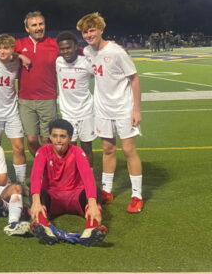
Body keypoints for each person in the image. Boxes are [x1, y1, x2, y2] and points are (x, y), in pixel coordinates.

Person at [77, 12, 144, 213]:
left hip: (123, 109)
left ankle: (136, 195)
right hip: (102, 110)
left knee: (129, 151)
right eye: (85, 32)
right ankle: (106, 191)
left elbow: (134, 79)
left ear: (101, 30)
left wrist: (136, 109)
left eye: (92, 30)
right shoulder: (88, 52)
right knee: (107, 149)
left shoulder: (117, 52)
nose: (88, 35)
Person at [29, 119, 107, 246]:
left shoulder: (77, 152)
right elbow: (36, 177)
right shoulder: (42, 152)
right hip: (52, 197)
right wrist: (36, 202)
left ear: (70, 138)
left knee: (95, 192)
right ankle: (44, 228)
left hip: (75, 196)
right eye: (54, 136)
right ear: (50, 137)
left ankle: (91, 230)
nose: (58, 140)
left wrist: (93, 204)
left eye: (62, 136)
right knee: (35, 194)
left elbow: (88, 177)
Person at [14, 11, 59, 157]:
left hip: (47, 98)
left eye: (41, 24)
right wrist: (19, 55)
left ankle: (50, 167)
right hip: (26, 100)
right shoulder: (19, 44)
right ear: (27, 28)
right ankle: (42, 163)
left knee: (47, 139)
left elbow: (79, 51)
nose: (38, 28)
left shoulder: (54, 44)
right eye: (34, 25)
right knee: (32, 139)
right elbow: (3, 52)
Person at [0, 34, 28, 183]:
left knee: (19, 148)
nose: (2, 51)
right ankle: (0, 181)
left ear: (12, 49)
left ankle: (21, 183)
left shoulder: (16, 62)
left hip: (12, 113)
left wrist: (21, 56)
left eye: (6, 48)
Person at [55, 31, 95, 164]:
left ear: (75, 46)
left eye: (68, 48)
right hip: (67, 113)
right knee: (68, 148)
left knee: (87, 147)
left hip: (86, 111)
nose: (66, 51)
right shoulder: (58, 62)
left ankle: (88, 180)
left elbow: (100, 75)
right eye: (62, 49)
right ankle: (72, 179)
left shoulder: (86, 63)